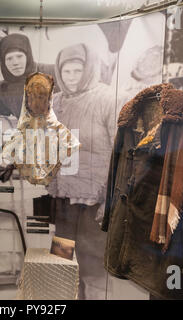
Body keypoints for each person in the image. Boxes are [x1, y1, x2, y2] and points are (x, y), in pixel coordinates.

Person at [46, 43, 116, 299]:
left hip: (94, 203)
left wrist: (109, 199)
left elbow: (121, 152)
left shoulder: (108, 98)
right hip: (65, 201)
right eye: (67, 71)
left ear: (89, 70)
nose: (72, 77)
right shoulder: (56, 102)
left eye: (78, 70)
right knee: (63, 263)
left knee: (93, 267)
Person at [0, 33, 56, 120]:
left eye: (19, 56)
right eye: (9, 58)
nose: (15, 63)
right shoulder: (2, 89)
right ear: (3, 62)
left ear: (28, 56)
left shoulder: (51, 73)